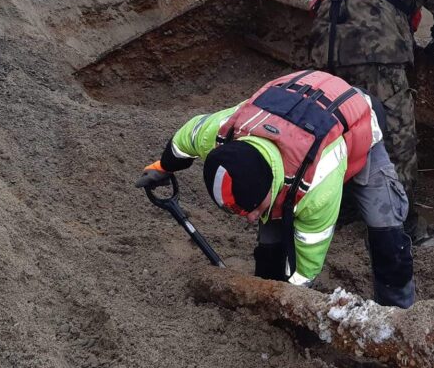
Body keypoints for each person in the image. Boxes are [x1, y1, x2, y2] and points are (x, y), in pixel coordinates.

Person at [135, 70, 416, 308]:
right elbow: (184, 140)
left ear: (271, 184)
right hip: (296, 105)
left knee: (386, 231)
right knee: (271, 236)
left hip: (356, 124)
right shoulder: (221, 133)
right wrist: (162, 167)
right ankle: (267, 278)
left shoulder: (318, 187)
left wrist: (288, 297)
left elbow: (307, 267)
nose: (250, 218)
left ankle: (397, 310)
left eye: (253, 209)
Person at [306, 0, 434, 242]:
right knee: (396, 139)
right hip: (373, 53)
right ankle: (403, 226)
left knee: (341, 135)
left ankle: (344, 212)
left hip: (324, 60)